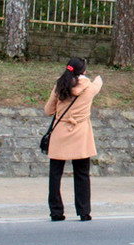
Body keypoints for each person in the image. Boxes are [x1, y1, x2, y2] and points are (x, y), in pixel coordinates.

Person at [44, 57, 103, 222]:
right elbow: (99, 81)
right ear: (83, 71)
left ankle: (56, 211)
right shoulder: (90, 87)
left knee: (55, 174)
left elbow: (48, 110)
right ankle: (84, 211)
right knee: (82, 173)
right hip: (80, 132)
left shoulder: (60, 85)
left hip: (60, 131)